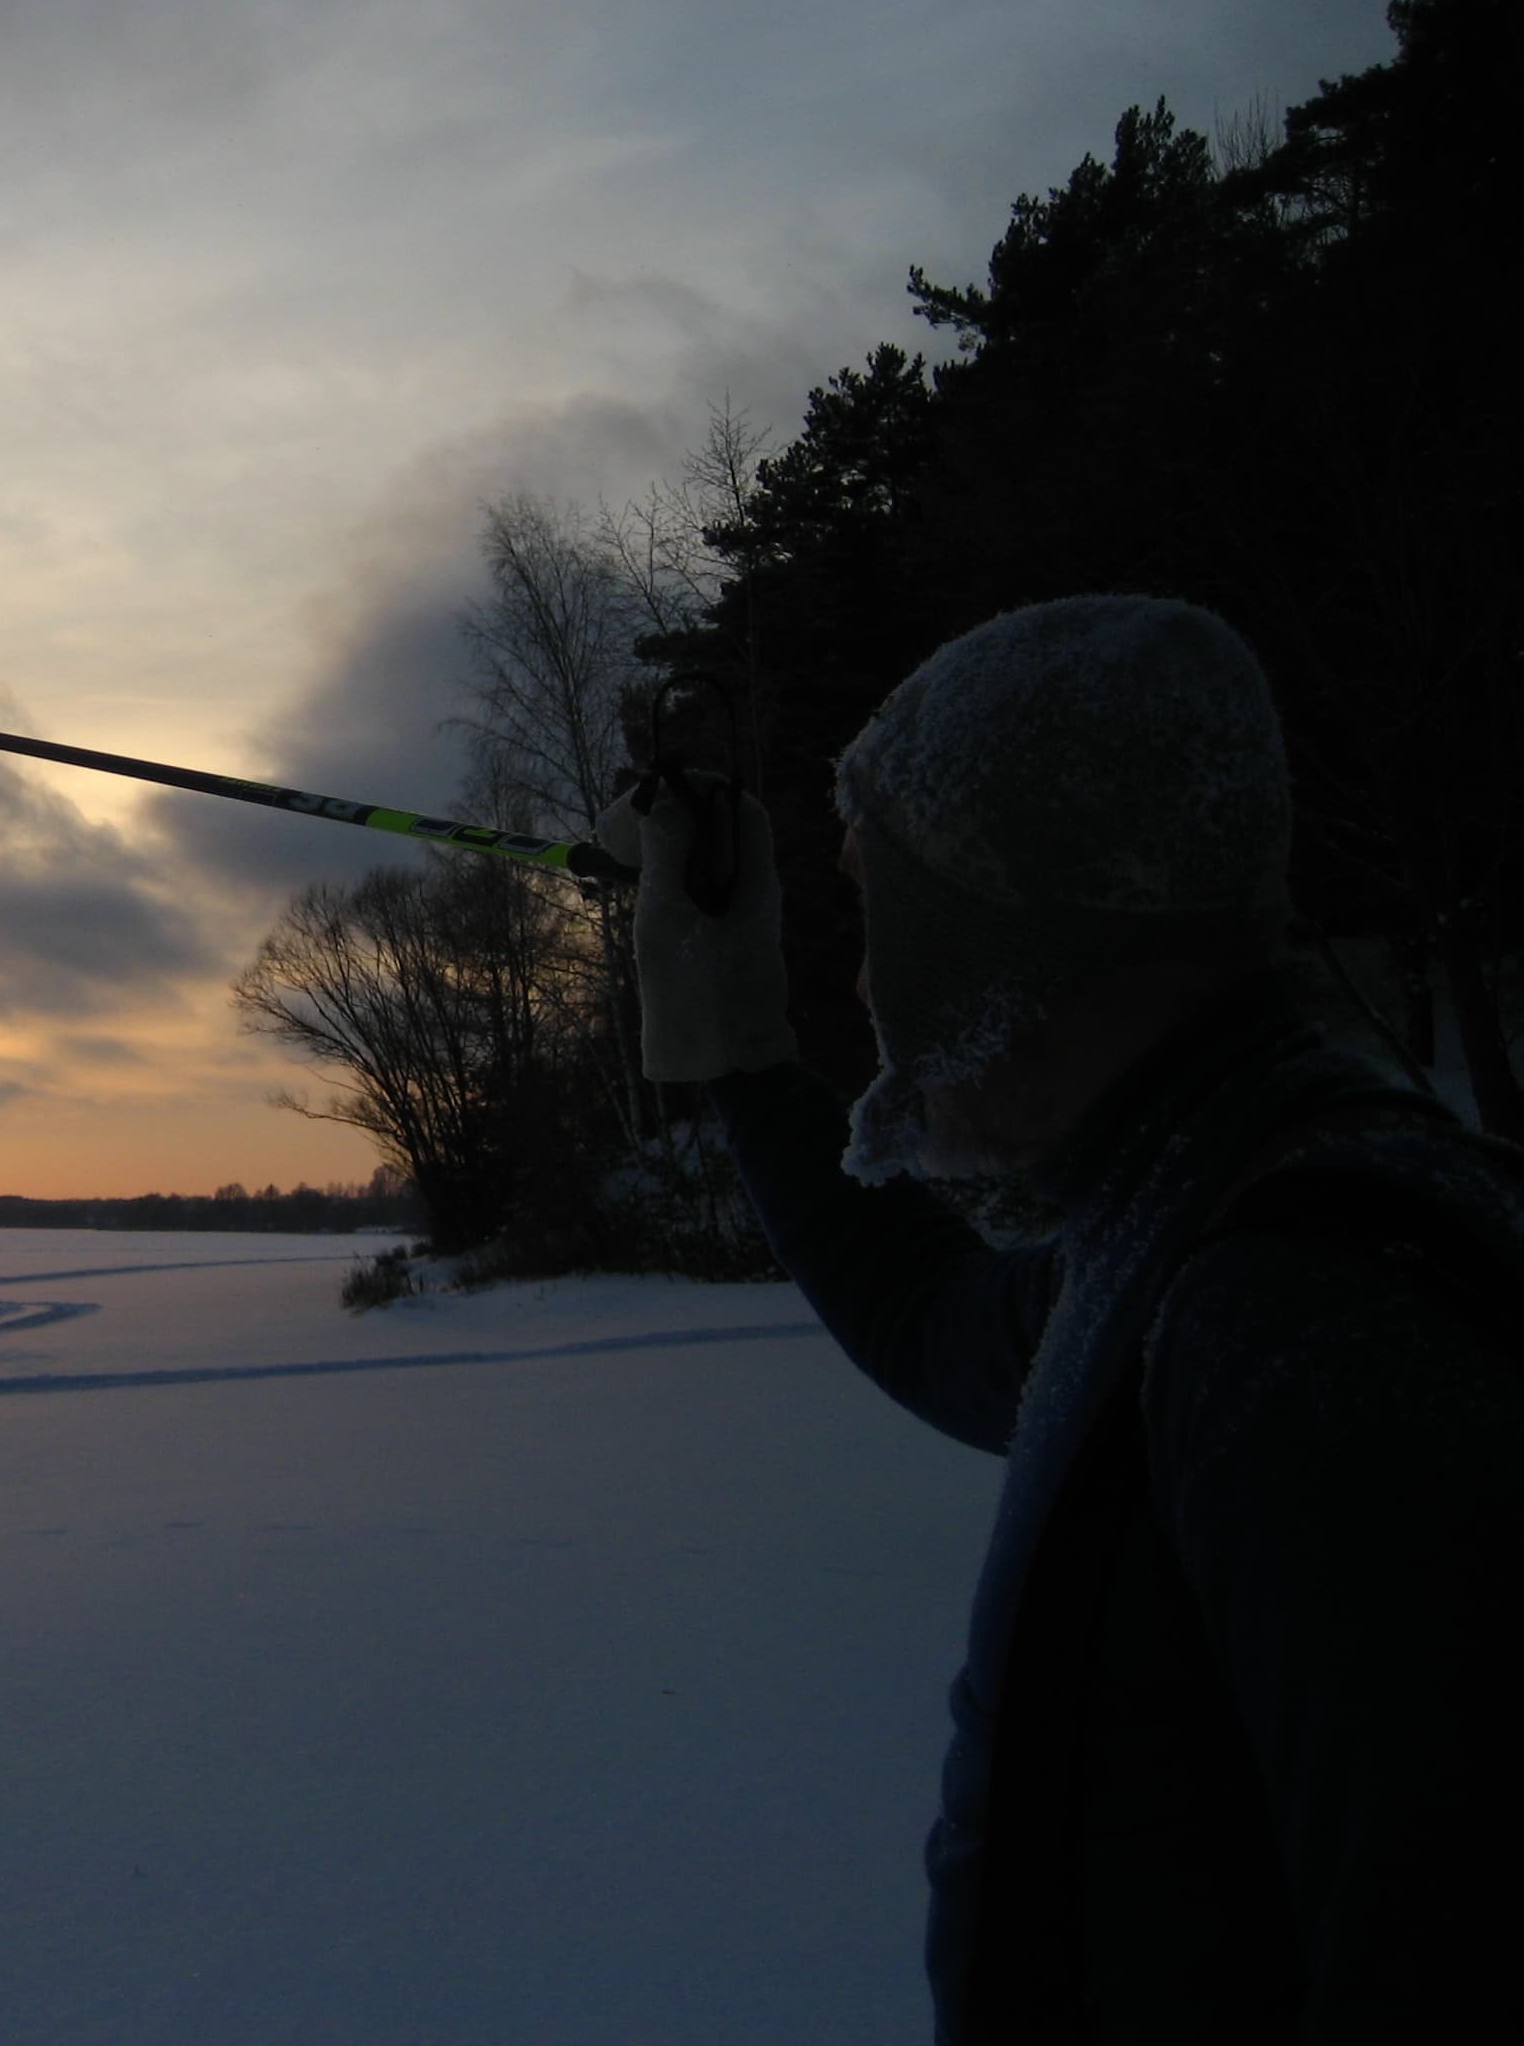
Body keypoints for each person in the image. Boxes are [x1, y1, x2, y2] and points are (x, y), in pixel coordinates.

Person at [594, 596, 1524, 2041]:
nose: (868, 981)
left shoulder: (1314, 1316)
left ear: (1001, 942)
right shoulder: (1200, 1211)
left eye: (877, 905)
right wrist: (740, 1048)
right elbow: (938, 1322)